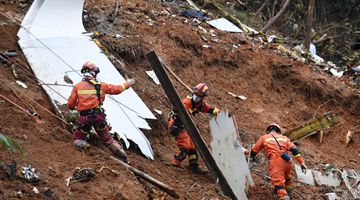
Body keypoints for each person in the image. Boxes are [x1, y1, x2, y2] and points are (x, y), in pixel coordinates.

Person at [68, 61, 134, 163]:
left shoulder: (77, 86)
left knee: (79, 138)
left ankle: (85, 146)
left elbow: (71, 104)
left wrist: (75, 107)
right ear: (94, 72)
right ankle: (124, 157)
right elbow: (117, 89)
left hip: (85, 119)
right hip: (99, 117)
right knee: (108, 140)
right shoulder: (101, 85)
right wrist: (128, 83)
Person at [167, 83, 221, 174]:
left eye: (199, 96)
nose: (196, 97)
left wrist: (220, 112)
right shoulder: (186, 103)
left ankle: (194, 166)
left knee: (192, 145)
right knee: (185, 146)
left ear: (202, 97)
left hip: (185, 126)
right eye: (195, 94)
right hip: (176, 125)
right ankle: (175, 162)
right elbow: (182, 112)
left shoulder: (199, 104)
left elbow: (209, 109)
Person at [250, 123, 307, 200]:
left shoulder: (264, 138)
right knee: (287, 180)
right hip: (288, 161)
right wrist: (302, 163)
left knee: (278, 184)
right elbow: (294, 150)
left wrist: (250, 156)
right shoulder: (284, 138)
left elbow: (254, 150)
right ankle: (288, 194)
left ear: (268, 131)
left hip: (276, 161)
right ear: (278, 131)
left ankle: (283, 196)